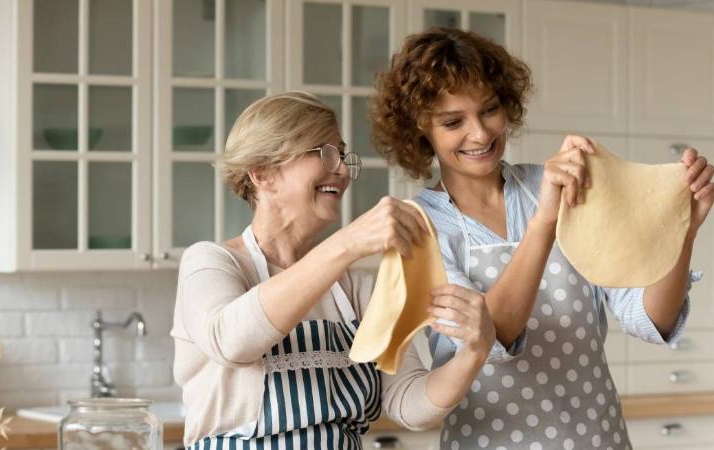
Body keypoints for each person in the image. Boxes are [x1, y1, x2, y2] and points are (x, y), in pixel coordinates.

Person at [370, 28, 714, 449]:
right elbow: (492, 339)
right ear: (420, 130)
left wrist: (683, 231)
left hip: (598, 438)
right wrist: (544, 221)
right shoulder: (418, 228)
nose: (479, 134)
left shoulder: (564, 186)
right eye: (453, 121)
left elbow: (648, 319)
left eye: (490, 110)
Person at [170, 91, 497, 449]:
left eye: (342, 155)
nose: (342, 170)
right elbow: (232, 341)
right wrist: (347, 243)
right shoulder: (212, 263)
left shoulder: (355, 289)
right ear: (263, 174)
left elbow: (408, 404)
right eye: (325, 154)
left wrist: (473, 352)